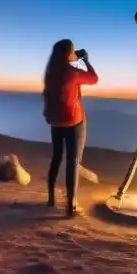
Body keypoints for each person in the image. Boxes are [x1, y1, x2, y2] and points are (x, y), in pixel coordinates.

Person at [42, 39, 99, 217]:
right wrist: (85, 60)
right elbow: (94, 78)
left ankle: (51, 198)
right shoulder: (72, 72)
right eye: (72, 51)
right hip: (73, 121)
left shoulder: (51, 71)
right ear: (68, 53)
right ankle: (70, 205)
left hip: (55, 121)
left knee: (56, 157)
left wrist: (74, 59)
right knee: (72, 162)